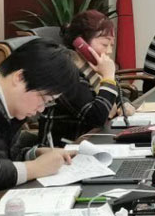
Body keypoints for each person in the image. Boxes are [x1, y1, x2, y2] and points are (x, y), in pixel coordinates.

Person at [0, 39, 78, 216]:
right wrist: (35, 167)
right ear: (19, 77)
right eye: (43, 99)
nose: (41, 109)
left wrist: (33, 155)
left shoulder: (4, 103)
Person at [39, 10, 135, 146]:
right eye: (104, 44)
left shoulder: (90, 67)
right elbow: (96, 117)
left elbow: (117, 94)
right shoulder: (66, 70)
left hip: (91, 141)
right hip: (64, 148)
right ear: (80, 43)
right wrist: (108, 76)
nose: (109, 51)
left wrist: (123, 103)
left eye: (111, 45)